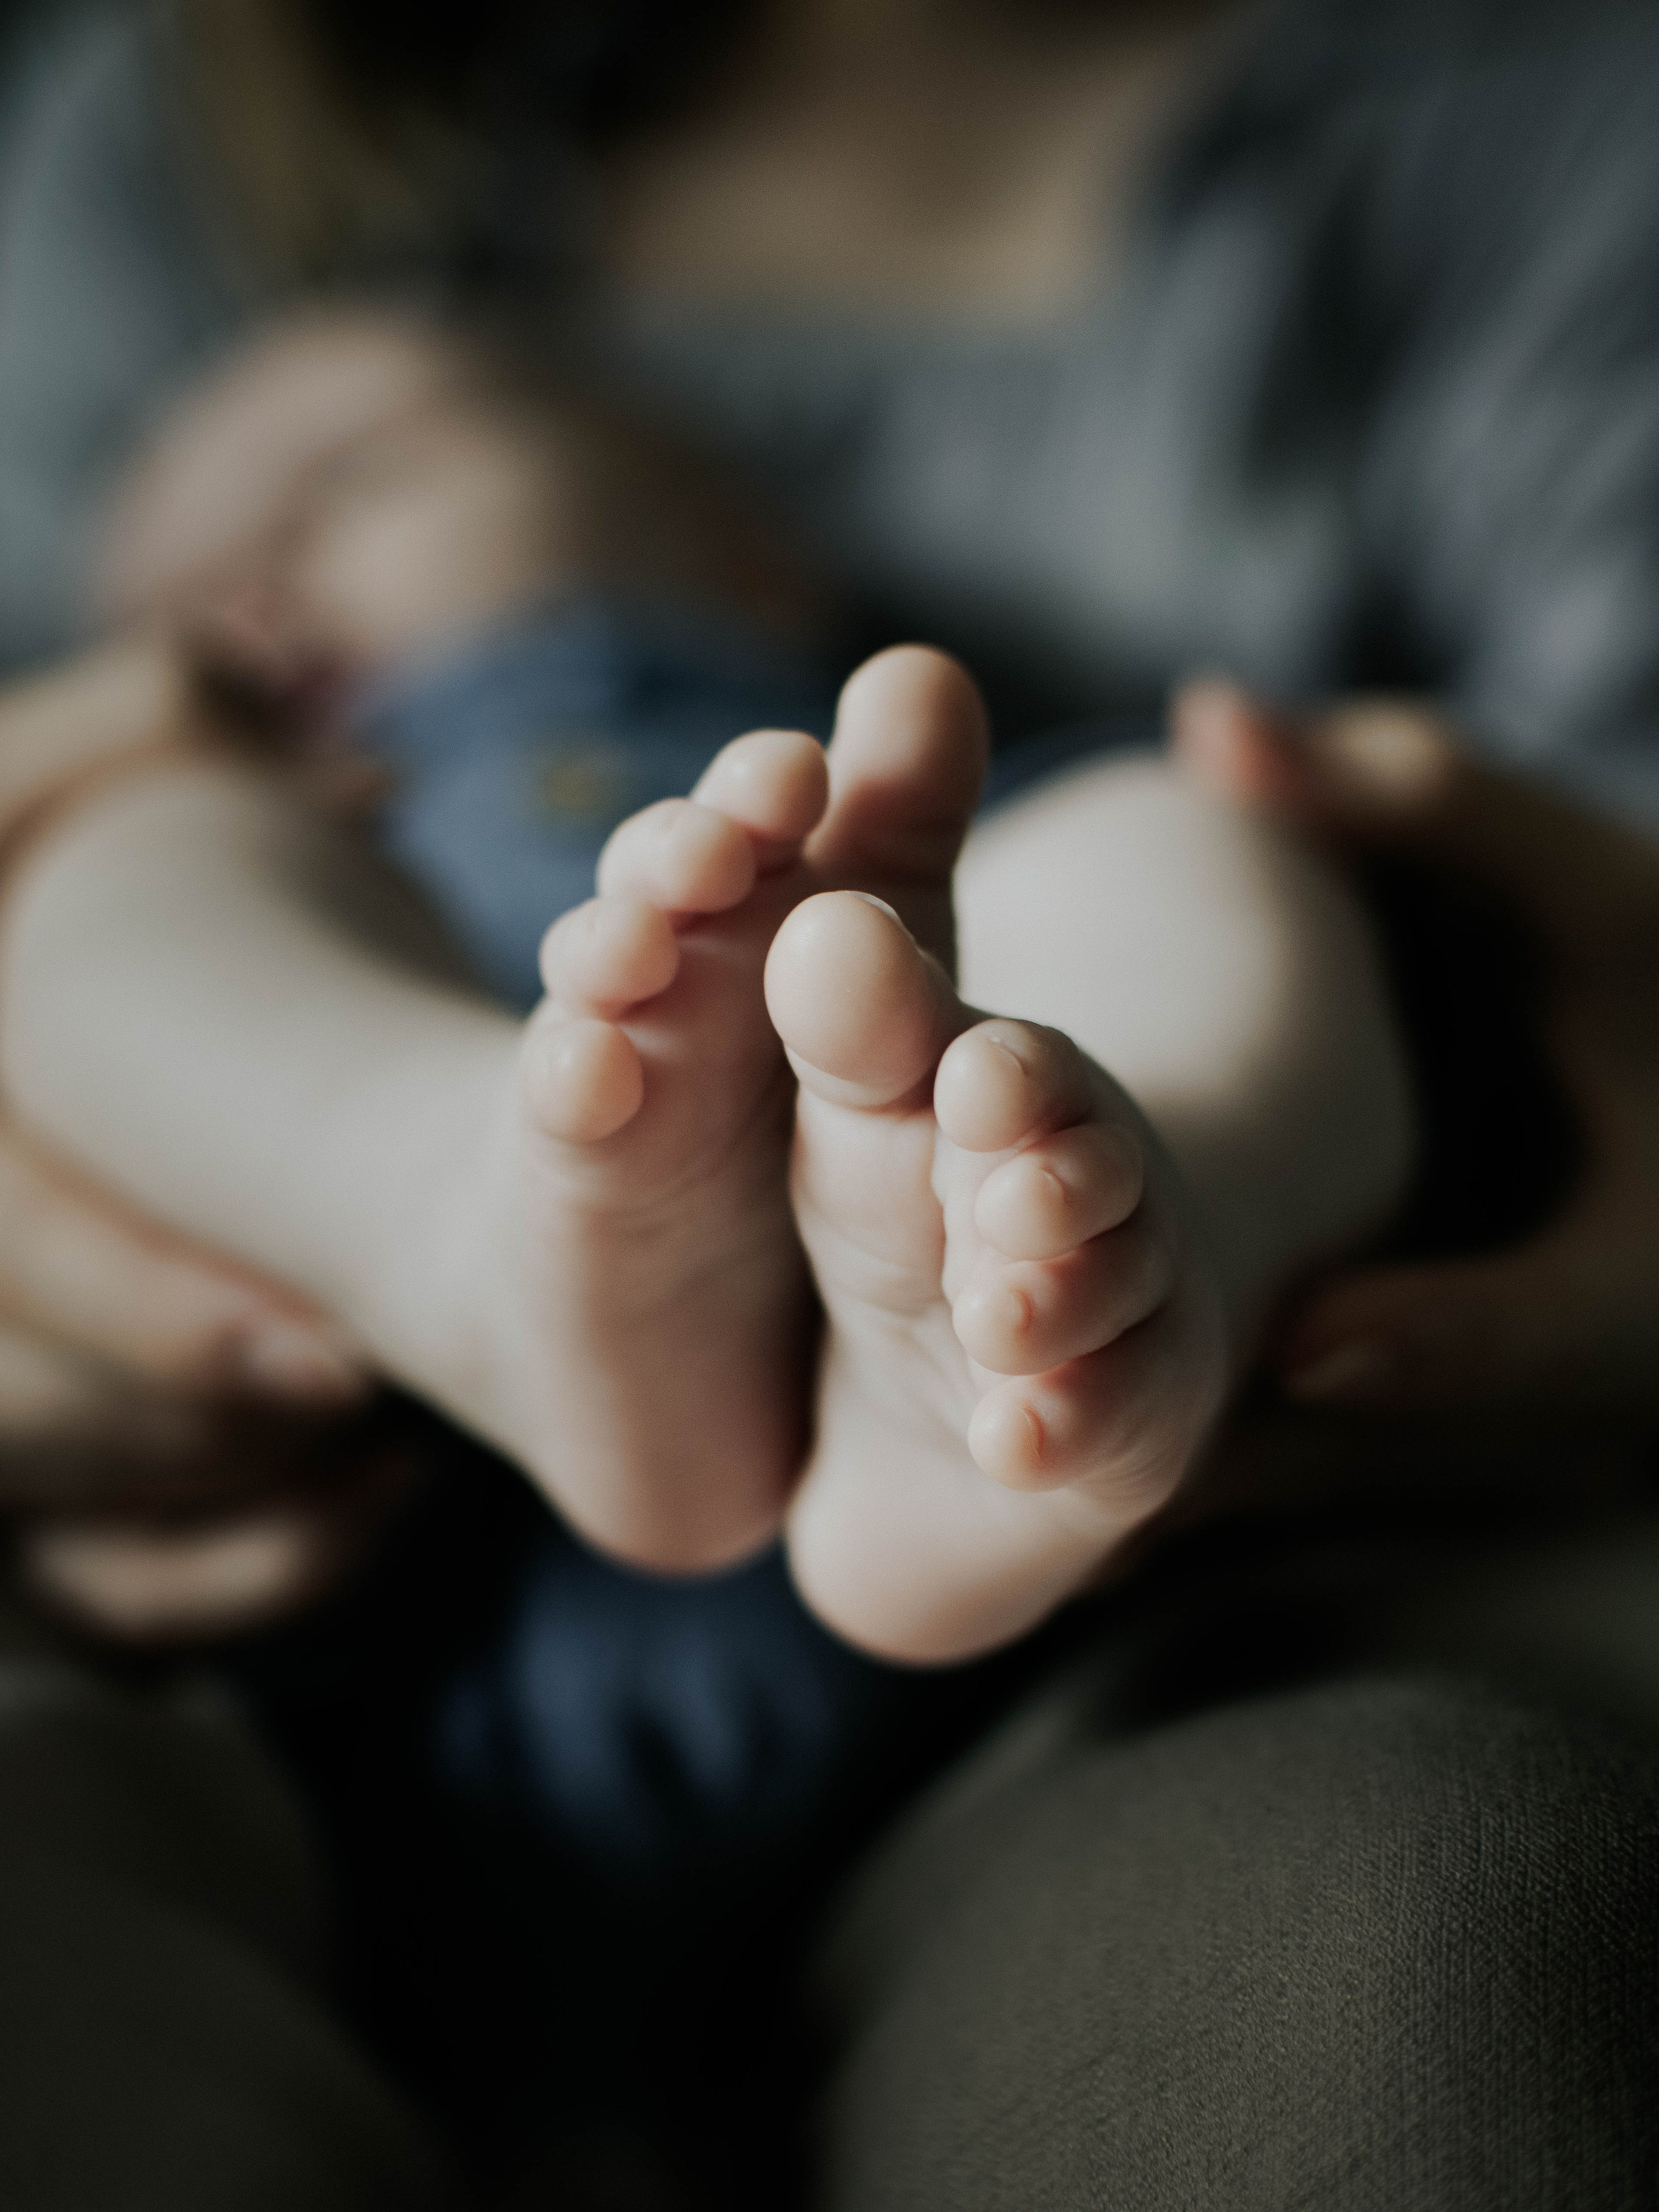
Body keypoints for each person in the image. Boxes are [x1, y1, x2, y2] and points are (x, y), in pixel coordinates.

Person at [0, 1, 1657, 2205]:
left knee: (1209, 857)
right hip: (313, 1599)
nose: (235, 595)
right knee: (106, 889)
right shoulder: (195, 144)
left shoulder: (986, 772)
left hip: (1126, 1631)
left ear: (747, 538)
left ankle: (1066, 1288)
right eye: (179, 581)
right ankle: (450, 1204)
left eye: (347, 480)